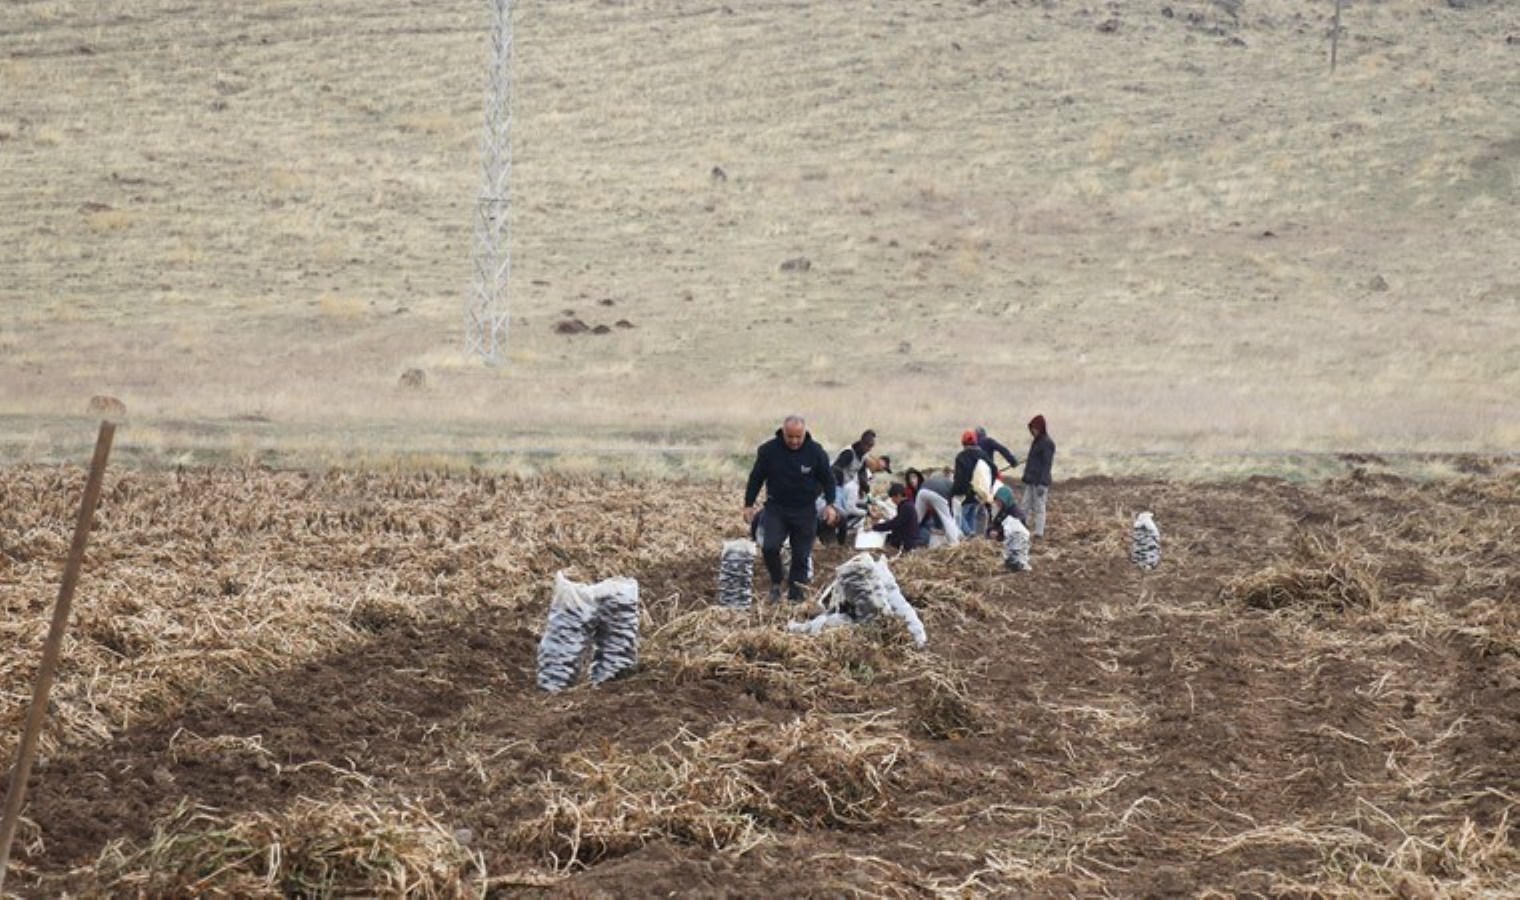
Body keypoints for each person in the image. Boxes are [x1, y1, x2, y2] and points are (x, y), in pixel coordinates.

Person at [745, 415, 839, 602]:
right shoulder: (768, 451)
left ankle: (796, 596)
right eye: (790, 437)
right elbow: (756, 478)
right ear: (783, 433)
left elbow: (829, 479)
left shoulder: (815, 452)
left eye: (799, 437)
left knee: (801, 555)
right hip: (776, 508)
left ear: (804, 433)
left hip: (804, 511)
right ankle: (776, 582)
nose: (794, 441)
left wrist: (830, 504)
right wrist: (748, 504)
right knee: (770, 547)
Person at [829, 431, 877, 545]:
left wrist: (865, 487)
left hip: (848, 487)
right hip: (837, 486)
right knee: (843, 515)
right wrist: (839, 487)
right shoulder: (849, 453)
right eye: (868, 445)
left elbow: (861, 472)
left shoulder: (863, 455)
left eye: (871, 446)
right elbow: (835, 468)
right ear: (862, 443)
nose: (869, 449)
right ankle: (840, 544)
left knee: (863, 505)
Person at [950, 430, 994, 537]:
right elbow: (994, 469)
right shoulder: (982, 455)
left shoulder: (961, 457)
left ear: (963, 443)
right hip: (979, 494)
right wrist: (988, 487)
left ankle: (970, 535)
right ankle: (972, 541)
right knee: (972, 517)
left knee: (959, 517)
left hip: (965, 494)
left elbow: (959, 478)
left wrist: (954, 492)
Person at [1022, 414, 1055, 538]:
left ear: (1041, 428)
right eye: (1032, 429)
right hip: (1031, 481)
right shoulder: (1036, 441)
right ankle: (1021, 528)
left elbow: (1047, 465)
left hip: (1040, 482)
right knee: (1025, 505)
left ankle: (1039, 533)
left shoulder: (1047, 443)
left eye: (1035, 429)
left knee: (1039, 507)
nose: (1033, 431)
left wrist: (1043, 483)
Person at [871, 482, 921, 553]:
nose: (892, 501)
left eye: (893, 498)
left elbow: (895, 523)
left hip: (909, 541)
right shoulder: (907, 504)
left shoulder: (906, 507)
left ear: (899, 495)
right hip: (908, 535)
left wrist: (876, 527)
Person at [914, 471, 961, 545]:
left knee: (915, 519)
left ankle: (907, 538)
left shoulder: (940, 480)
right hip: (937, 493)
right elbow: (949, 509)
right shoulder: (953, 486)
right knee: (948, 519)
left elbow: (936, 511)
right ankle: (954, 543)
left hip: (922, 491)